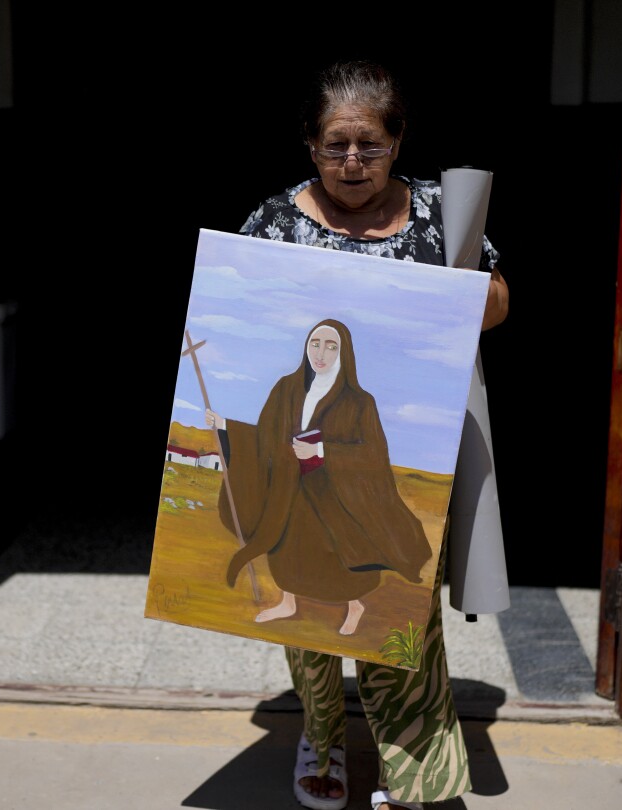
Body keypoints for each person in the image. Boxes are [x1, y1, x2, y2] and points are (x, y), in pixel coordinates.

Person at [232, 59, 509, 810]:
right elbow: (246, 334)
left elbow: (498, 300)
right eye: (335, 145)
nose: (352, 162)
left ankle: (409, 763)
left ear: (398, 141)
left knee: (396, 612)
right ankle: (321, 731)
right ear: (310, 146)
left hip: (388, 460)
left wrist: (466, 295)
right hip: (298, 470)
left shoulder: (437, 215)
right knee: (310, 612)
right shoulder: (274, 222)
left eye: (370, 145)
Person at [207, 319, 433, 637]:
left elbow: (373, 454)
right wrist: (227, 426)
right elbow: (267, 436)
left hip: (334, 494)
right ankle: (289, 602)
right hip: (290, 488)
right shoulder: (287, 387)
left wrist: (323, 450)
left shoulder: (359, 401)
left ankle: (355, 605)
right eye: (315, 344)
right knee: (289, 548)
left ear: (344, 353)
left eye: (331, 346)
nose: (321, 353)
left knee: (337, 555)